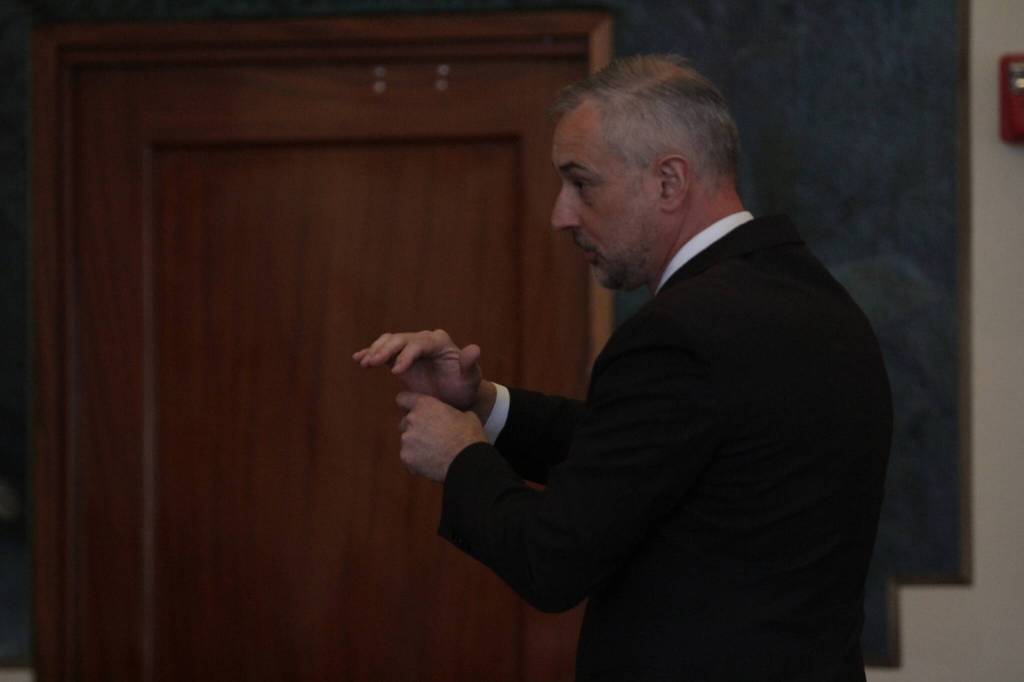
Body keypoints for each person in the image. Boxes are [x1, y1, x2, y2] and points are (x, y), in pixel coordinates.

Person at [353, 55, 892, 681]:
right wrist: (483, 405)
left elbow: (551, 562)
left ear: (668, 181)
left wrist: (459, 458)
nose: (561, 214)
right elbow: (653, 453)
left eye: (582, 183)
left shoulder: (681, 332)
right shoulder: (817, 300)